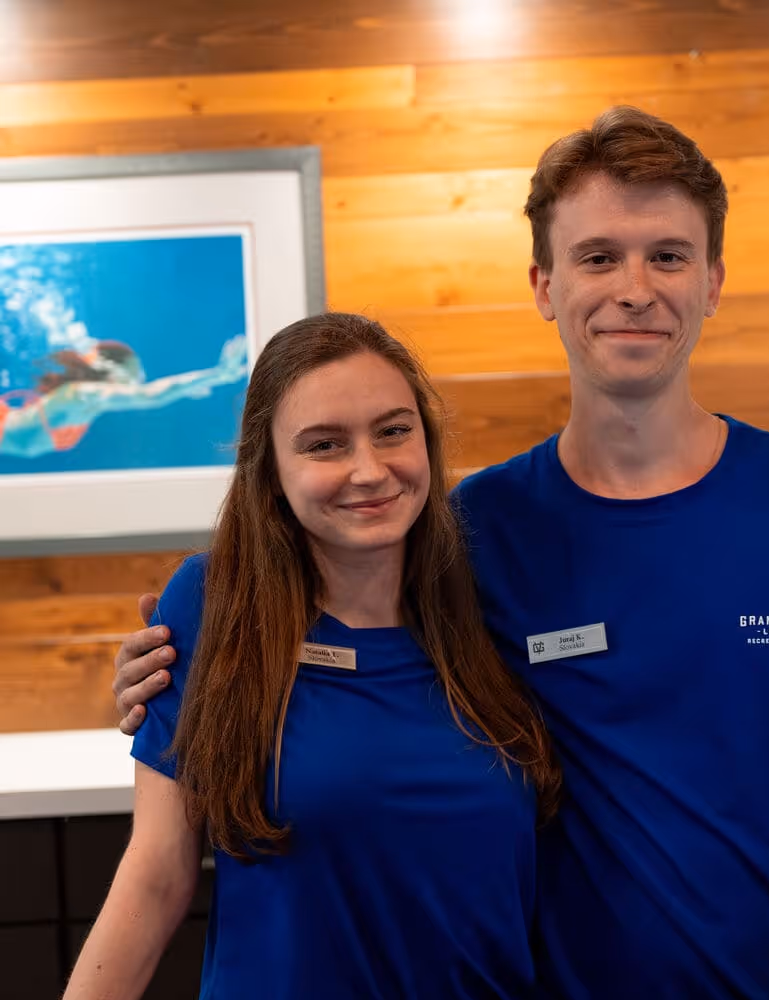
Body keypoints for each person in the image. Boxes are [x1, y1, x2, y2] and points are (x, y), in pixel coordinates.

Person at [112, 107, 769, 999]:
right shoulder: (469, 532)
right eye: (598, 256)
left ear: (713, 280)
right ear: (544, 285)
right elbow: (326, 635)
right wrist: (178, 658)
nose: (634, 287)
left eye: (668, 255)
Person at [67, 313, 560, 1000]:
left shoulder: (489, 603)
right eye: (325, 445)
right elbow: (156, 875)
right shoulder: (214, 604)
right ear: (270, 472)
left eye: (393, 430)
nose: (369, 470)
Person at [0, 335, 247, 457]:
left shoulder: (91, 402)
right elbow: (149, 395)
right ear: (112, 369)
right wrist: (219, 374)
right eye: (135, 375)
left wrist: (183, 389)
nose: (137, 384)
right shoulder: (81, 394)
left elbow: (152, 394)